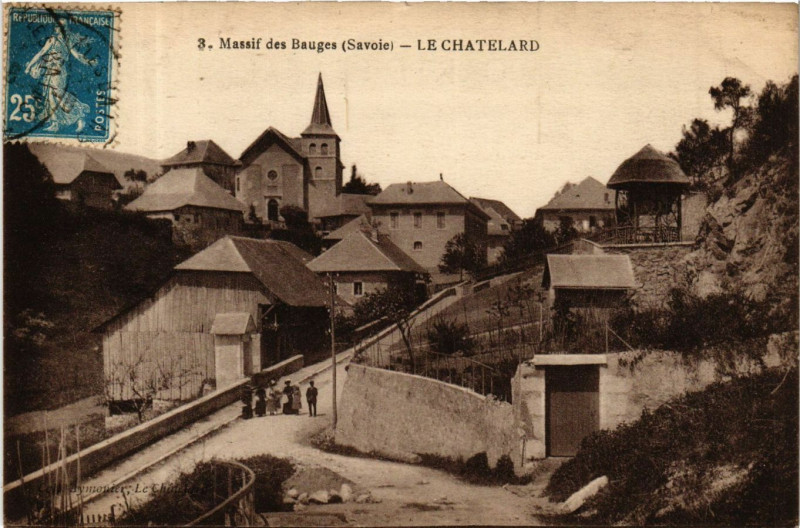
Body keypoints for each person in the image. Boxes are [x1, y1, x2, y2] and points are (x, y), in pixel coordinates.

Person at [24, 22, 96, 132]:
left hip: (59, 72)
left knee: (58, 95)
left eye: (60, 27)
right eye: (57, 26)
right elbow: (41, 52)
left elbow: (76, 55)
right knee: (50, 96)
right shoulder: (53, 39)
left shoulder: (66, 41)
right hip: (50, 71)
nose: (58, 28)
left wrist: (88, 62)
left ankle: (79, 113)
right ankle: (55, 123)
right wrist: (29, 66)